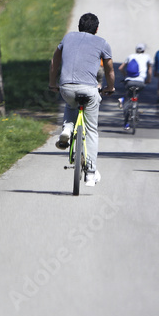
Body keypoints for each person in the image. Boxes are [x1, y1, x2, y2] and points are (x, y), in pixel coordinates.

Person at [49, 13, 116, 187]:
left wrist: (52, 83)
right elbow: (109, 70)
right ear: (97, 29)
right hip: (89, 89)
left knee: (71, 104)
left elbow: (55, 61)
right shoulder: (102, 43)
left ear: (79, 26)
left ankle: (67, 129)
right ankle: (90, 174)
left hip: (66, 86)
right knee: (91, 129)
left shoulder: (68, 37)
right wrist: (110, 87)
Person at [118, 43, 153, 130]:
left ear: (136, 50)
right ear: (144, 50)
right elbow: (149, 70)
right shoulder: (147, 57)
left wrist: (125, 76)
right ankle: (135, 107)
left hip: (129, 82)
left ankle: (126, 123)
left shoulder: (130, 56)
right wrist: (148, 79)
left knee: (128, 98)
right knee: (136, 94)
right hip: (140, 82)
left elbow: (120, 68)